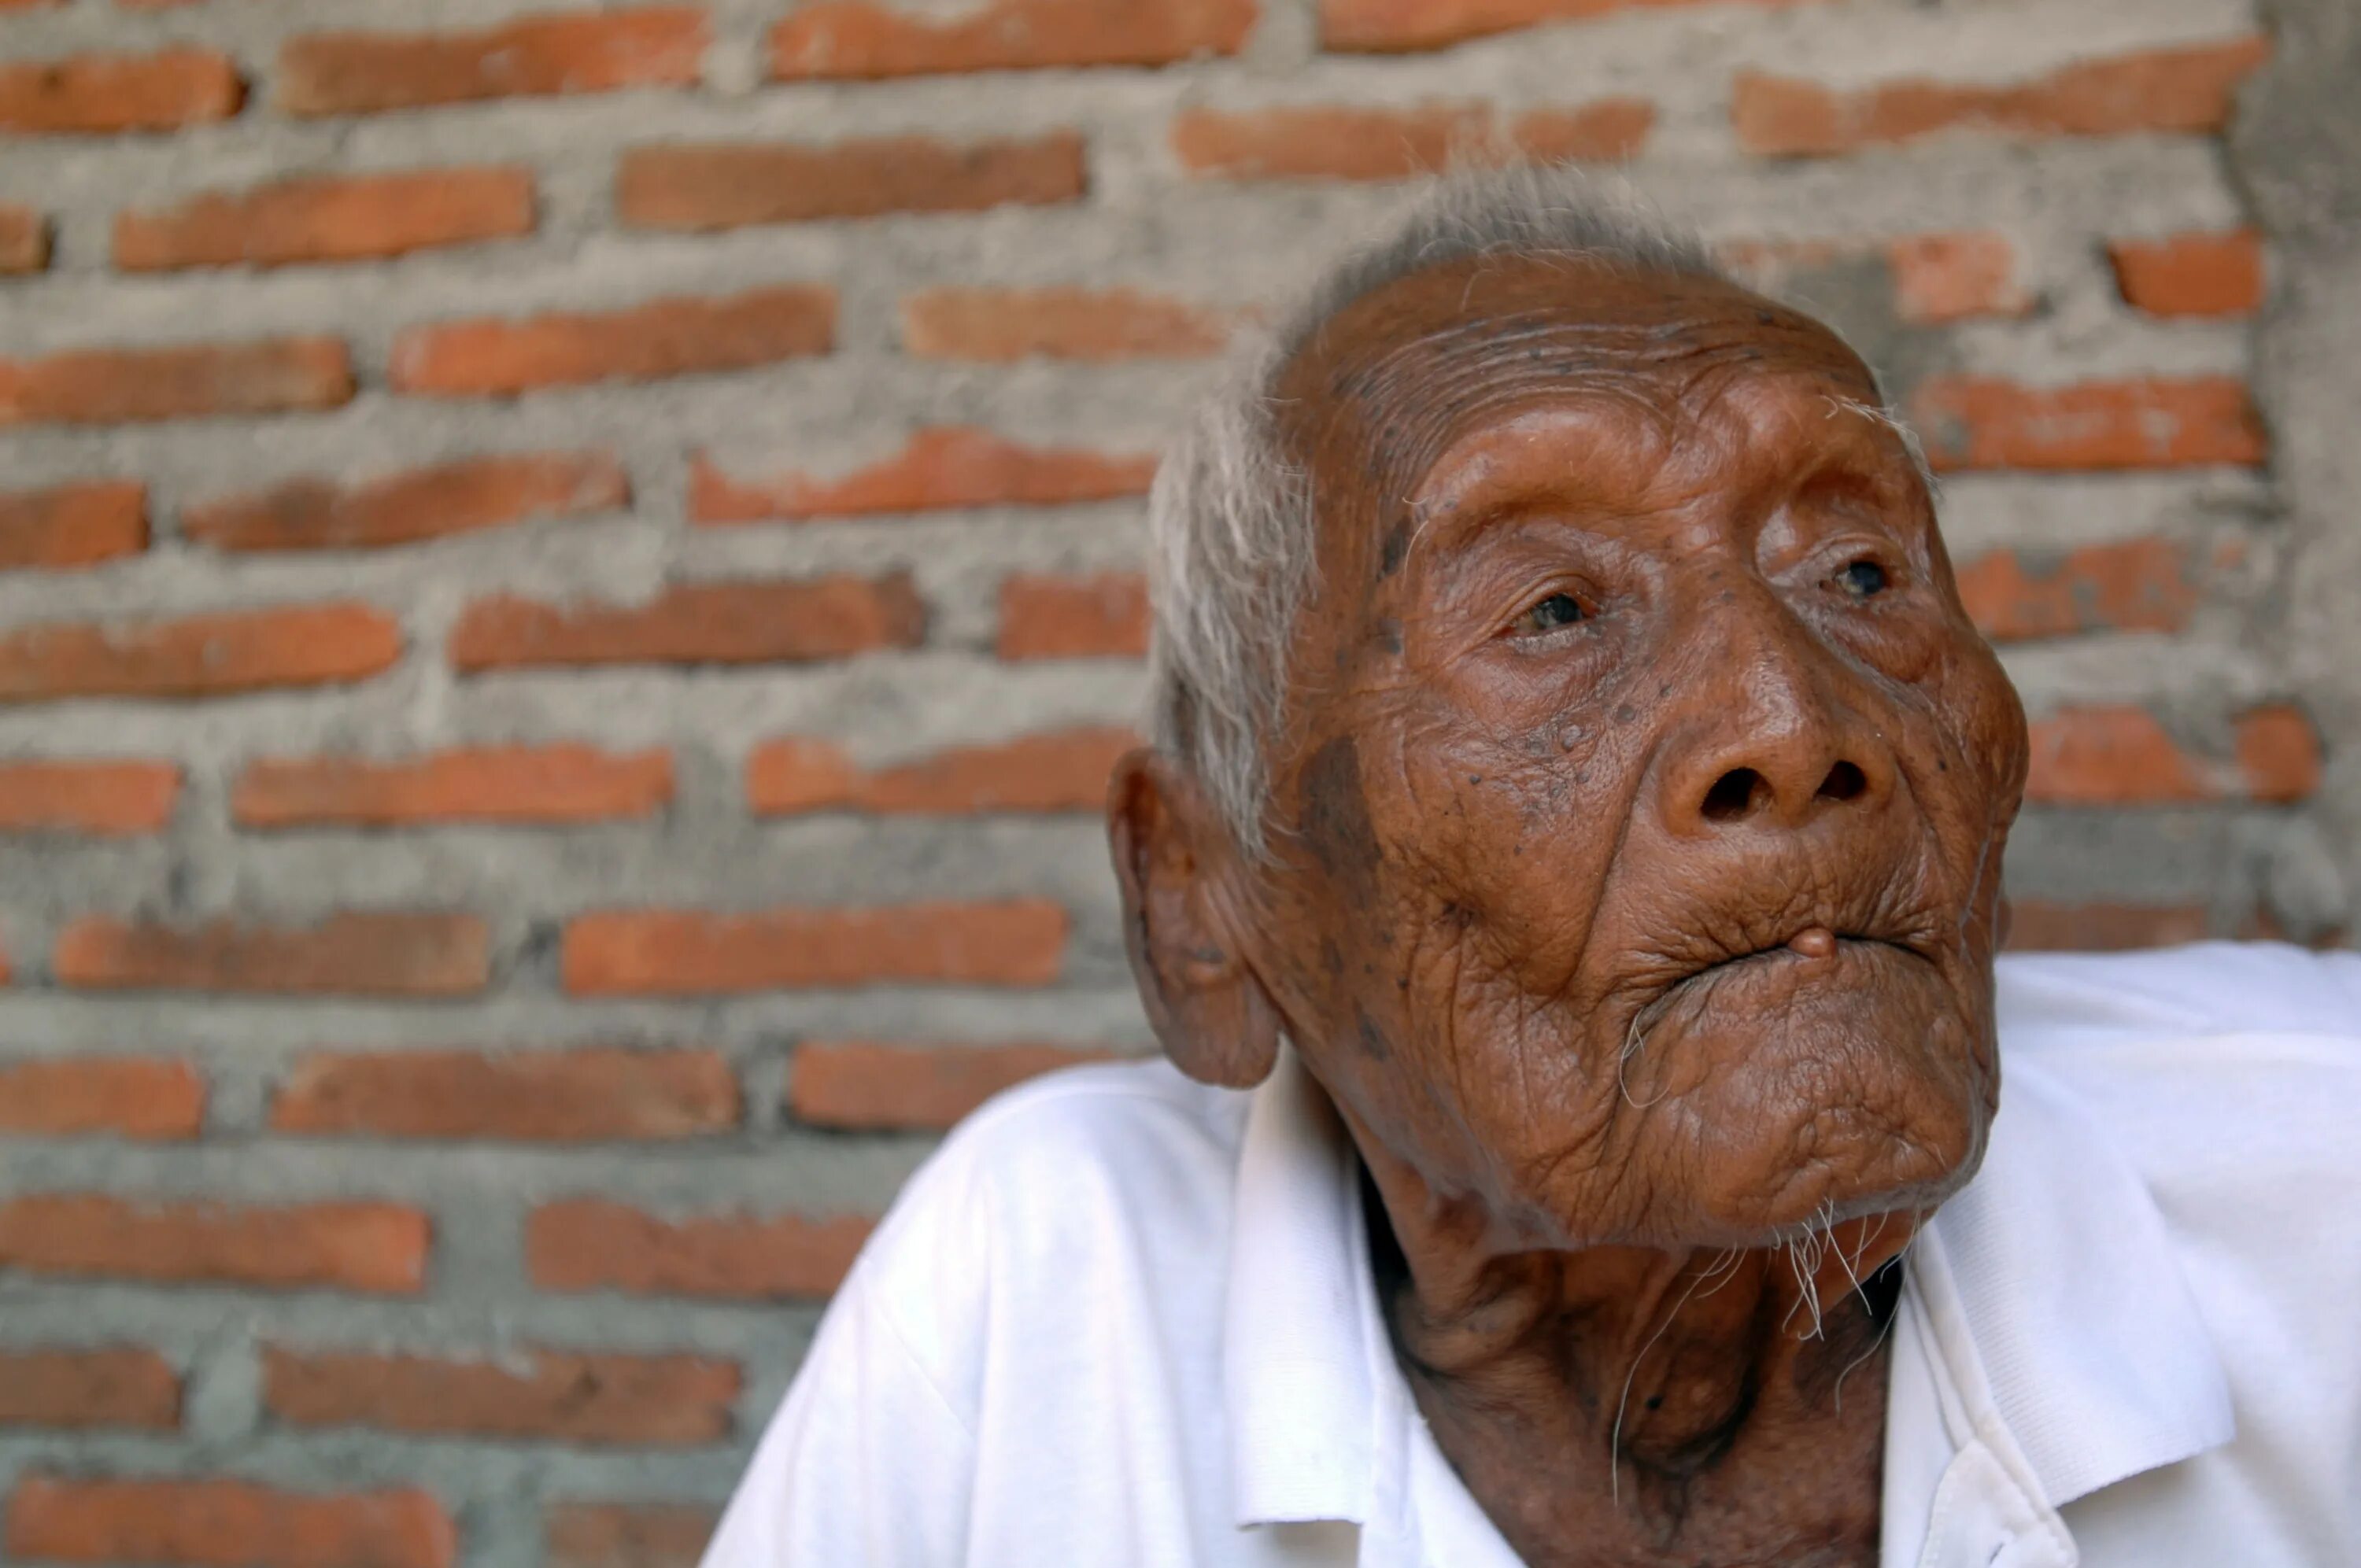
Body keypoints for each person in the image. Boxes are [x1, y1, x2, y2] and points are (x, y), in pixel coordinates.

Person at [697, 166, 2361, 1566]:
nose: (1791, 720)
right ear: (1205, 899)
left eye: (1858, 569)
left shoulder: (2321, 1177)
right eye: (1554, 612)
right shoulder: (1041, 1302)